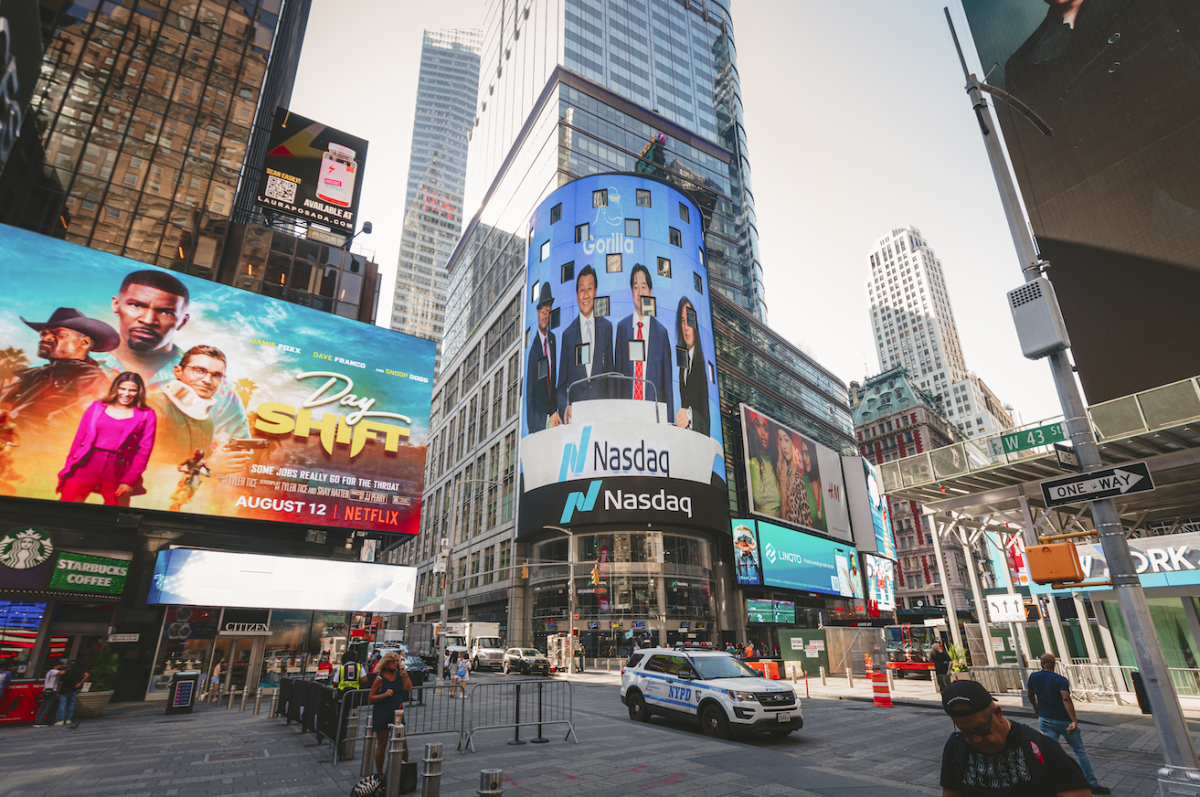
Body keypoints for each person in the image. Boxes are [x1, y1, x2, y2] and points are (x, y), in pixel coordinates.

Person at [96, 270, 250, 443]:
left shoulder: (219, 391)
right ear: (116, 305)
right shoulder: (81, 361)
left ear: (183, 321)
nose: (148, 320)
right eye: (137, 305)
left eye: (166, 312)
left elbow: (236, 458)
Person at [941, 679, 1094, 797]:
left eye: (981, 730)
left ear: (998, 714)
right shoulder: (956, 746)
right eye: (965, 732)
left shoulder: (1041, 748)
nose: (977, 739)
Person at [0, 307, 119, 426]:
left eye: (60, 334)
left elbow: (56, 422)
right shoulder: (35, 375)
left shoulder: (91, 378)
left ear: (84, 342)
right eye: (43, 333)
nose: (45, 338)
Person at [147, 344, 250, 477]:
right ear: (178, 371)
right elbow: (128, 466)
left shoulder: (206, 422)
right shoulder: (150, 406)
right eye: (199, 371)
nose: (208, 380)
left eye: (217, 375)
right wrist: (207, 468)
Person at [57, 372, 157, 506]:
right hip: (87, 461)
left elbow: (144, 451)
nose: (126, 394)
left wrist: (129, 480)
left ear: (139, 392)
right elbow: (79, 439)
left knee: (117, 512)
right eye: (122, 389)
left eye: (132, 390)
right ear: (115, 388)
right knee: (67, 506)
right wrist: (70, 463)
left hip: (118, 468)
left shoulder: (147, 415)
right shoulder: (96, 407)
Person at [1027, 654, 1110, 794]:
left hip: (1045, 719)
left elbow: (1030, 694)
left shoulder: (1034, 677)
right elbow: (1066, 698)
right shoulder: (1061, 680)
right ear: (1055, 664)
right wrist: (1074, 720)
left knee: (1049, 752)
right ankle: (1092, 783)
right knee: (1079, 751)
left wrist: (1035, 707)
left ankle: (1048, 784)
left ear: (1042, 663)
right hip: (1064, 721)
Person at [613, 264, 673, 415]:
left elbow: (667, 387)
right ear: (631, 292)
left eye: (644, 287)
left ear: (650, 292)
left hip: (653, 416)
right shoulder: (622, 328)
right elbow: (618, 381)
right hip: (627, 415)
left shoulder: (661, 333)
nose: (639, 292)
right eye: (635, 287)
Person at [556, 265, 614, 420]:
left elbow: (611, 377)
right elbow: (561, 386)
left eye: (590, 289)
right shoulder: (567, 335)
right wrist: (564, 409)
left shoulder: (607, 327)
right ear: (577, 296)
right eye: (582, 290)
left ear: (596, 292)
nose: (586, 295)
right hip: (576, 419)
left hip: (603, 418)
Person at [367, 652, 411, 776]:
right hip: (382, 713)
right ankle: (380, 773)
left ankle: (404, 769)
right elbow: (370, 698)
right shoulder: (380, 679)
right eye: (393, 661)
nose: (396, 663)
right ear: (386, 664)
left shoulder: (399, 675)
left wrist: (404, 674)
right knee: (382, 744)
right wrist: (384, 695)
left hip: (397, 713)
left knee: (403, 742)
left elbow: (408, 688)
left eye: (397, 661)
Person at [525, 282, 561, 432]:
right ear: (538, 313)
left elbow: (552, 386)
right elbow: (531, 402)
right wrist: (546, 421)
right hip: (540, 427)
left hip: (554, 424)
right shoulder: (533, 352)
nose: (545, 314)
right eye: (542, 311)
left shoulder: (552, 340)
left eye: (548, 310)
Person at [673, 297, 709, 435]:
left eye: (689, 319)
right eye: (682, 321)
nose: (686, 327)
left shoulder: (701, 365)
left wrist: (688, 415)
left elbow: (706, 423)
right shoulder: (683, 365)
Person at [776, 428, 812, 528]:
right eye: (780, 439)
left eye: (786, 440)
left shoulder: (798, 478)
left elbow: (806, 519)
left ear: (792, 443)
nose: (783, 446)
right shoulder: (778, 472)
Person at [747, 413, 780, 516]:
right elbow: (758, 498)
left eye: (766, 429)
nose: (763, 433)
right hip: (763, 522)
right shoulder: (754, 463)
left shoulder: (777, 463)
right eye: (758, 426)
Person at [34, 660, 68, 727]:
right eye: (61, 665)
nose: (62, 667)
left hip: (46, 690)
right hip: (52, 691)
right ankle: (40, 721)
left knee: (43, 706)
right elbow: (62, 673)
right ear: (58, 665)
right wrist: (68, 670)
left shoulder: (49, 671)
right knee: (47, 706)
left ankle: (37, 721)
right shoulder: (54, 671)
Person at [56, 660, 89, 726]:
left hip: (64, 690)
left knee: (62, 705)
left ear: (68, 665)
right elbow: (87, 675)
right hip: (73, 690)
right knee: (71, 704)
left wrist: (57, 692)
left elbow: (60, 683)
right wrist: (80, 683)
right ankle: (68, 719)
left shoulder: (65, 673)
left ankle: (61, 720)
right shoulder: (79, 671)